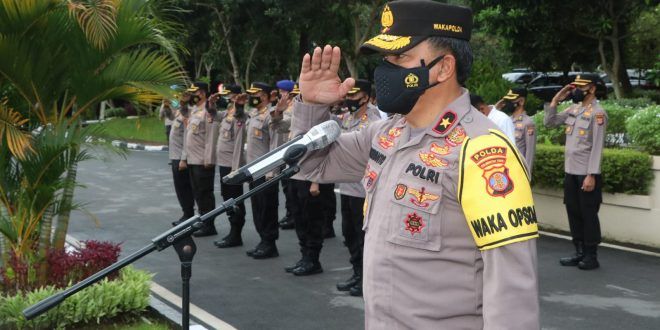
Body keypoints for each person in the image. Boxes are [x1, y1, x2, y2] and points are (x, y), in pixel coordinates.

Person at [290, 1, 539, 328]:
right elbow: (309, 165)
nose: (386, 69)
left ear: (444, 67)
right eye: (386, 59)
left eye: (401, 58)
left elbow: (512, 292)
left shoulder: (483, 151)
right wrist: (311, 105)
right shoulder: (387, 132)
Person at [544, 74, 607, 270]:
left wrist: (591, 174)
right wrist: (556, 100)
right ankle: (579, 252)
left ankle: (591, 255)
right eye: (574, 87)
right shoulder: (573, 109)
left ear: (592, 89)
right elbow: (550, 122)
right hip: (570, 171)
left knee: (588, 214)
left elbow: (597, 146)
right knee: (573, 212)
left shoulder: (598, 113)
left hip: (586, 173)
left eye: (581, 87)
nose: (576, 91)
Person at [334, 79, 382, 296]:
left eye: (354, 96)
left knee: (363, 238)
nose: (349, 99)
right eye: (349, 95)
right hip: (346, 186)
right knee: (349, 234)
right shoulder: (347, 117)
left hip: (363, 189)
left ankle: (365, 281)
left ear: (365, 97)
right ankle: (356, 273)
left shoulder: (373, 119)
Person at [245, 82, 284, 259]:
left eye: (258, 94)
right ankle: (262, 239)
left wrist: (272, 171)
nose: (254, 97)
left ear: (268, 96)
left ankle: (270, 243)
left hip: (266, 171)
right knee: (257, 207)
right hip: (254, 170)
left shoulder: (271, 115)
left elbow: (275, 144)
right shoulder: (253, 114)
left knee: (268, 207)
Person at [180, 82, 219, 237]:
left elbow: (211, 137)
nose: (192, 96)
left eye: (194, 93)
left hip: (203, 160)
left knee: (205, 194)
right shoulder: (194, 110)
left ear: (202, 93)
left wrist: (209, 158)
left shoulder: (208, 111)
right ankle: (202, 221)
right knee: (197, 193)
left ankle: (209, 225)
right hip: (192, 159)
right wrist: (182, 101)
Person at [214, 84, 248, 248]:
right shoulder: (229, 110)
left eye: (231, 95)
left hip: (232, 165)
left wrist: (236, 168)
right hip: (223, 162)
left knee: (234, 199)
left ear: (237, 96)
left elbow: (239, 144)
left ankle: (236, 234)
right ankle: (232, 232)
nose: (228, 98)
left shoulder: (240, 114)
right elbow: (213, 115)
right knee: (227, 197)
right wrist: (210, 104)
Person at [165, 96, 195, 225]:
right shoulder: (180, 112)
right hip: (175, 156)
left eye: (181, 100)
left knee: (184, 188)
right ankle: (186, 214)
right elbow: (171, 117)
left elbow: (187, 138)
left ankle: (188, 215)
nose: (178, 101)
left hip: (181, 158)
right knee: (180, 188)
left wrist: (184, 159)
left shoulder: (187, 114)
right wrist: (166, 106)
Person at [274, 80, 297, 230]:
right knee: (286, 187)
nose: (280, 94)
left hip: (292, 152)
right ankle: (290, 214)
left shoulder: (294, 107)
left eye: (282, 91)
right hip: (284, 151)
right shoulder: (285, 106)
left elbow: (284, 125)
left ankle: (293, 216)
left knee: (292, 188)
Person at [504, 88, 536, 175]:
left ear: (521, 101)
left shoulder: (528, 123)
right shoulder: (507, 120)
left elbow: (530, 150)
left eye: (511, 100)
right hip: (507, 166)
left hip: (519, 169)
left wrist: (527, 173)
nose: (508, 103)